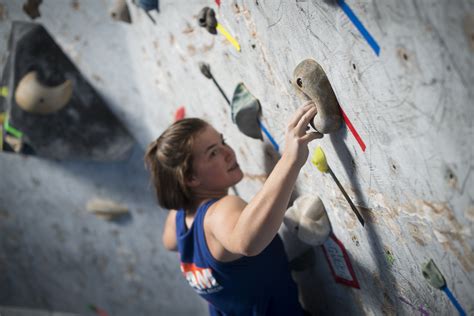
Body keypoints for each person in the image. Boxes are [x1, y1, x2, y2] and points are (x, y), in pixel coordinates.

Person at [144, 103, 321, 315]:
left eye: (223, 142)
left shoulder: (179, 221)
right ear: (190, 177)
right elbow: (247, 242)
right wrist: (291, 159)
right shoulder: (218, 212)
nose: (228, 152)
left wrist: (175, 158)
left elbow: (168, 242)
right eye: (213, 153)